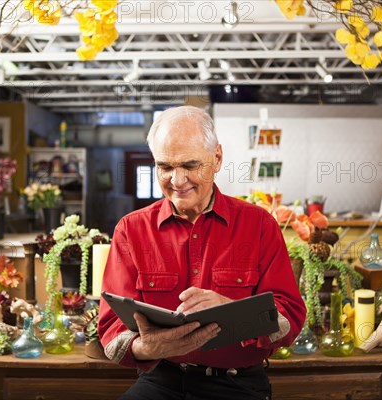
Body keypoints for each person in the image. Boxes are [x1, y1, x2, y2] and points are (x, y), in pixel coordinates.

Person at [98, 106, 306, 400]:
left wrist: (234, 314)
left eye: (190, 165)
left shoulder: (258, 225)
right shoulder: (130, 230)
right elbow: (111, 328)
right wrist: (146, 348)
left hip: (238, 385)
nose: (177, 180)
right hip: (161, 380)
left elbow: (291, 316)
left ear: (217, 158)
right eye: (166, 167)